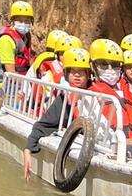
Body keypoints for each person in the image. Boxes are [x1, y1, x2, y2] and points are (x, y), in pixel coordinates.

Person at [22, 45, 91, 179]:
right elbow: (42, 126)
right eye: (72, 71)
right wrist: (28, 149)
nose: (77, 75)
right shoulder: (64, 100)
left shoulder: (99, 93)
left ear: (88, 75)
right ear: (66, 74)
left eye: (81, 72)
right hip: (83, 144)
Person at [0, 0, 35, 88]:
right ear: (12, 20)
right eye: (20, 21)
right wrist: (27, 86)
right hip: (5, 85)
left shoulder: (25, 37)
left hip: (18, 83)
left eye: (27, 21)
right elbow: (10, 72)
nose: (23, 24)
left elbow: (29, 60)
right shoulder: (7, 39)